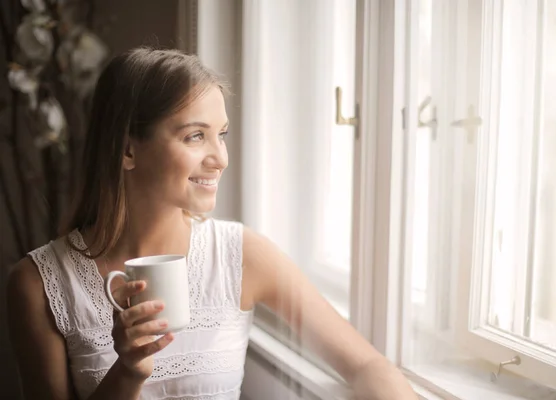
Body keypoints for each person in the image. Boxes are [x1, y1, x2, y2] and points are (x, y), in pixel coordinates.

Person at [6, 47, 417, 400]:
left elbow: (366, 365)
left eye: (221, 134)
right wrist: (128, 371)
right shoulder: (37, 285)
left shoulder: (243, 256)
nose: (220, 157)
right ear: (128, 149)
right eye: (195, 136)